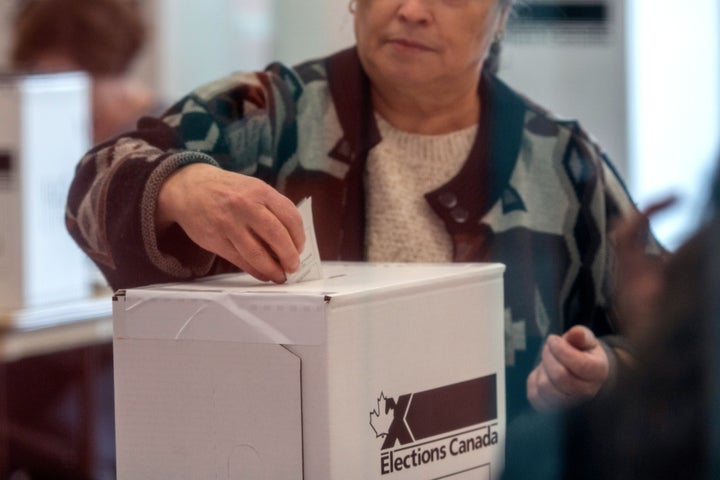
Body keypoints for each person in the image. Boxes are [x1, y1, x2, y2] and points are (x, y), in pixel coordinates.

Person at [65, 0, 662, 434]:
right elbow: (90, 183)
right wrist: (181, 186)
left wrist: (604, 369)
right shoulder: (272, 113)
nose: (411, 10)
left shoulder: (563, 164)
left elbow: (675, 339)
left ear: (503, 16)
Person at [10, 0, 160, 145]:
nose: (62, 98)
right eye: (45, 77)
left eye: (74, 79)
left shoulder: (167, 136)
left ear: (113, 66)